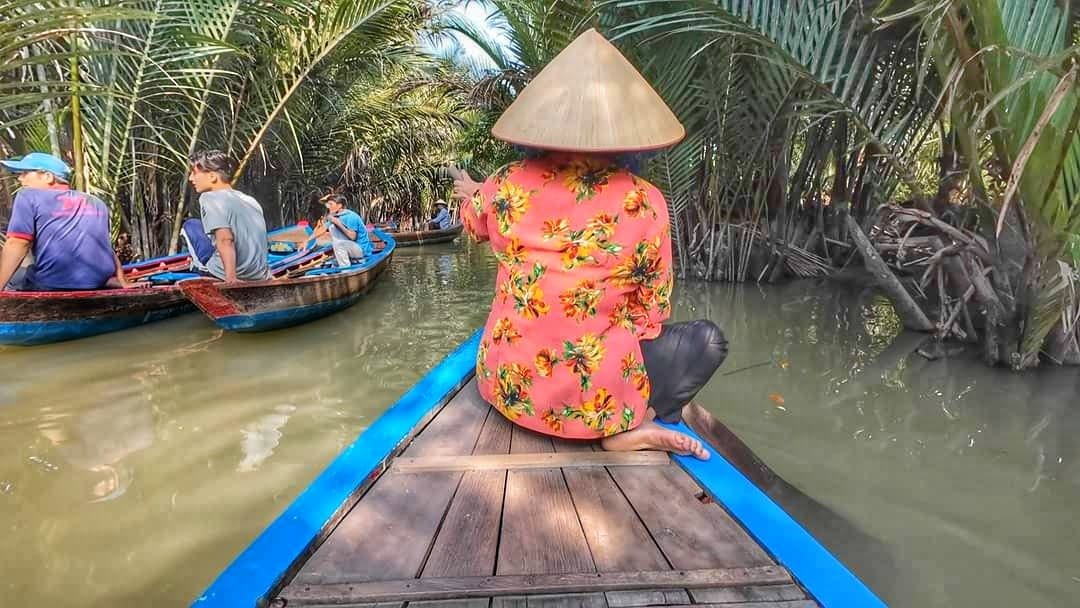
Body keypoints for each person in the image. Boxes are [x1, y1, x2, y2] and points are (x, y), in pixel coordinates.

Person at [452, 29, 728, 460]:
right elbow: (651, 312)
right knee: (707, 341)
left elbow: (476, 224)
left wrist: (475, 192)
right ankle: (635, 423)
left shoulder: (504, 183)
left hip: (509, 390)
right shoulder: (645, 202)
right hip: (596, 403)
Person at [0, 152, 130, 291]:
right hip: (96, 281)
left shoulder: (28, 196)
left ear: (47, 176)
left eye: (25, 173)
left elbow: (18, 243)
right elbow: (105, 247)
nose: (20, 178)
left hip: (52, 283)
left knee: (13, 279)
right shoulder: (96, 202)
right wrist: (122, 280)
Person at [187, 150, 270, 282]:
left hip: (222, 273)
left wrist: (231, 278)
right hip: (259, 275)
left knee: (190, 225)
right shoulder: (250, 201)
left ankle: (194, 263)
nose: (191, 178)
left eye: (194, 173)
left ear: (212, 177)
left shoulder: (210, 198)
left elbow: (225, 239)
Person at [313, 194, 373, 267]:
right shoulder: (334, 216)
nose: (328, 207)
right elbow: (323, 229)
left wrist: (338, 223)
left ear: (339, 205)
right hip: (348, 246)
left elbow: (353, 237)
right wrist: (307, 240)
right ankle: (341, 261)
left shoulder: (351, 216)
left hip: (361, 249)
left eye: (330, 204)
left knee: (339, 244)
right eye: (327, 204)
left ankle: (345, 269)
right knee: (332, 240)